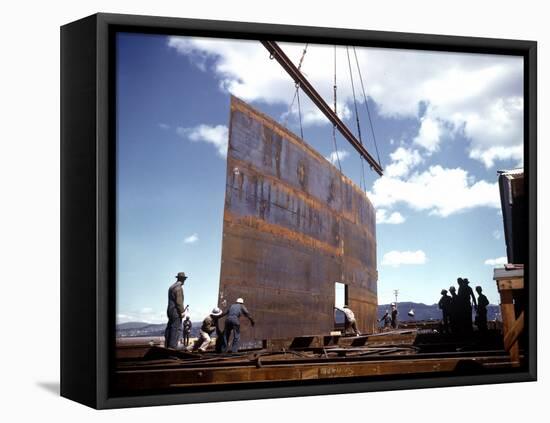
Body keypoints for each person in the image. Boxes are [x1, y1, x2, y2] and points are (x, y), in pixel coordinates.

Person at [164, 272, 188, 349]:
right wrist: (182, 311)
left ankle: (167, 345)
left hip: (170, 311)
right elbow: (179, 301)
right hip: (176, 311)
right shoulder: (179, 288)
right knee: (176, 328)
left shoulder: (171, 287)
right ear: (183, 279)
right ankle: (173, 346)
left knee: (170, 327)